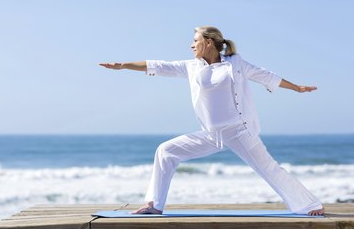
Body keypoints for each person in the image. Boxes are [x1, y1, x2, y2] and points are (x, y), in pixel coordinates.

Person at [99, 26, 325, 216]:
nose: (191, 45)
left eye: (195, 41)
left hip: (239, 131)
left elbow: (266, 75)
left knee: (269, 169)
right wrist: (123, 65)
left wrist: (297, 88)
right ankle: (154, 205)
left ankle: (309, 205)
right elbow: (157, 65)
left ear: (208, 42)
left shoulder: (236, 63)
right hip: (210, 133)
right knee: (166, 151)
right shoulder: (191, 67)